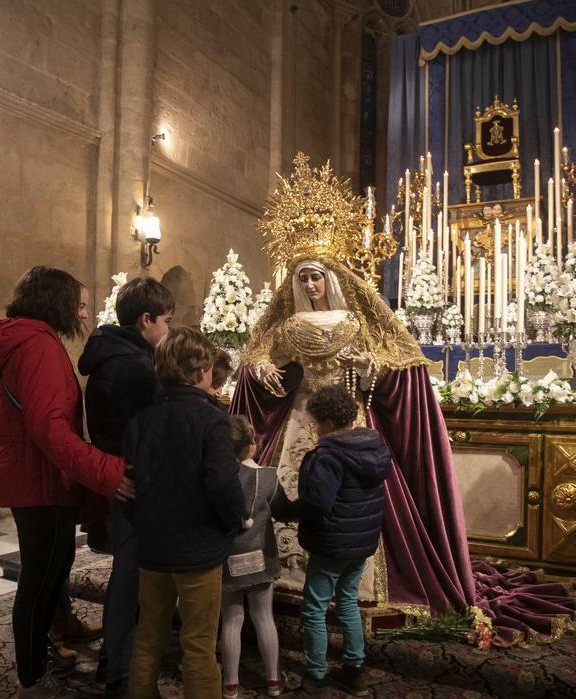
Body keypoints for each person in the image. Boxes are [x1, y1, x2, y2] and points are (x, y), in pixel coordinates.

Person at [231, 154, 575, 641]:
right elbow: (262, 366)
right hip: (299, 423)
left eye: (317, 276)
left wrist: (368, 368)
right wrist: (262, 367)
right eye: (302, 276)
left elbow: (399, 370)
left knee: (349, 504)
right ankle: (289, 586)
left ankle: (353, 600)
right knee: (299, 496)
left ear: (332, 278)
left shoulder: (361, 320)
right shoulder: (284, 326)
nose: (309, 284)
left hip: (351, 422)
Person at [0, 266, 133, 699]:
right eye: (79, 304)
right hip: (39, 479)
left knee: (49, 570)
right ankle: (32, 683)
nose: (84, 313)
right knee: (40, 578)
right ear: (55, 302)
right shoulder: (38, 347)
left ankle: (41, 657)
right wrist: (107, 471)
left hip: (35, 475)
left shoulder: (24, 340)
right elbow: (50, 430)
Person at [124, 326, 249, 699]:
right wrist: (235, 518)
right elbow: (221, 482)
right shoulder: (212, 419)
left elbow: (132, 483)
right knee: (198, 645)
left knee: (149, 637)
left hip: (153, 546)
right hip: (197, 550)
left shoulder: (141, 420)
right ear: (200, 370)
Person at [78, 276, 174, 699]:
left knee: (128, 575)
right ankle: (119, 673)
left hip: (122, 475)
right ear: (146, 319)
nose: (169, 330)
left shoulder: (113, 356)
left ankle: (113, 663)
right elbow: (146, 435)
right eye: (167, 321)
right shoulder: (135, 366)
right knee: (131, 579)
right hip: (134, 482)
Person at [274, 385, 391, 699]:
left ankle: (315, 682)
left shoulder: (327, 455)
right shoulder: (372, 446)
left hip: (332, 543)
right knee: (348, 602)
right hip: (361, 541)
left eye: (315, 421)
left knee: (314, 608)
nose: (312, 426)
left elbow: (318, 504)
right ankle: (355, 671)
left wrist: (284, 509)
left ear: (326, 420)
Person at [221, 416, 295, 699]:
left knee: (231, 619)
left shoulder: (218, 477)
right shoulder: (268, 476)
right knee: (264, 616)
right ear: (251, 446)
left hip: (229, 557)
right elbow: (285, 511)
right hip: (261, 557)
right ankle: (274, 681)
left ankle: (231, 684)